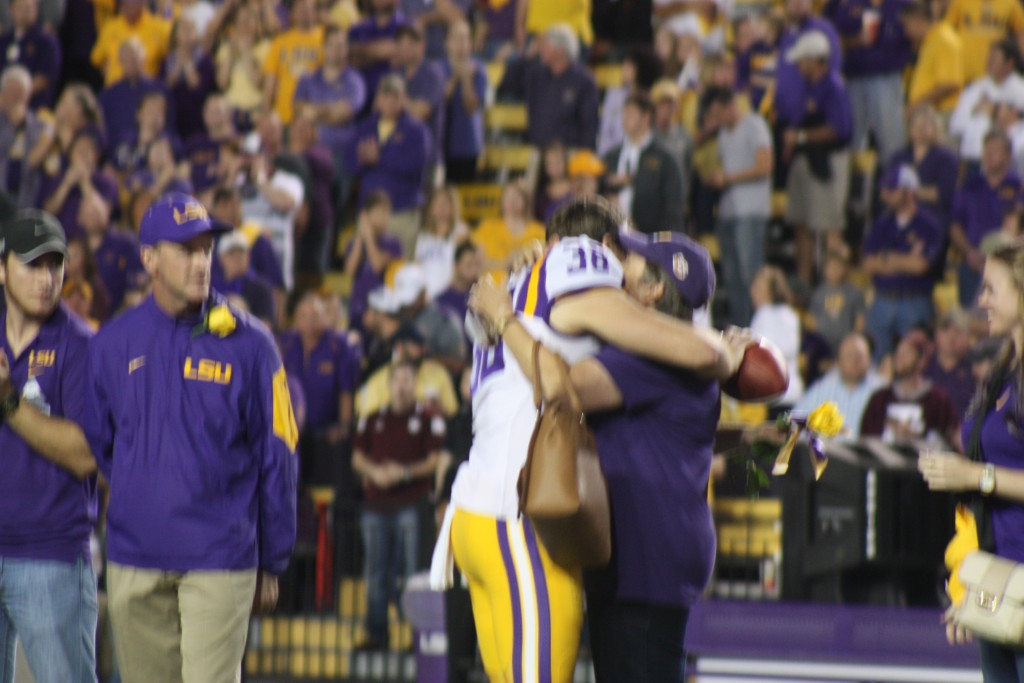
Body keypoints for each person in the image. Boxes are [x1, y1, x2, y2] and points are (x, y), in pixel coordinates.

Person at [429, 197, 743, 683]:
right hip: (517, 517)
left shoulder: (523, 287)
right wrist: (725, 355)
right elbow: (561, 387)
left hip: (482, 509)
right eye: (617, 251)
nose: (618, 262)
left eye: (629, 258)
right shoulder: (583, 274)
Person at [85, 193, 298, 682]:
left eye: (206, 250)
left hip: (220, 560)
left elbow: (279, 454)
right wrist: (146, 484)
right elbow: (101, 442)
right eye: (186, 250)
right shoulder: (112, 344)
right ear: (149, 259)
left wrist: (273, 559)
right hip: (134, 559)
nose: (201, 262)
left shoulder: (252, 343)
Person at [0, 210, 98, 683]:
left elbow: (85, 453)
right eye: (33, 265)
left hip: (50, 555)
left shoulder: (81, 344)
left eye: (55, 265)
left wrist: (9, 401)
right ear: (2, 269)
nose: (46, 279)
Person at [920, 240, 1024, 679]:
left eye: (991, 289)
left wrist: (977, 475)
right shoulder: (1001, 371)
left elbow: (984, 477)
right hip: (998, 584)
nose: (980, 300)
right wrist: (969, 581)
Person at [352, 359, 444, 650]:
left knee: (412, 573)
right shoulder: (373, 417)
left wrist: (402, 473)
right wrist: (374, 472)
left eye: (407, 380)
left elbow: (433, 460)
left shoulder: (428, 418)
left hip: (411, 505)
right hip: (376, 506)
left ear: (414, 384)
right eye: (398, 380)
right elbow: (356, 456)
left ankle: (414, 638)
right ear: (389, 385)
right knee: (375, 574)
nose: (402, 386)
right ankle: (377, 635)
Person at [779, 30, 853, 284]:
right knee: (802, 224)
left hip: (826, 163)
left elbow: (839, 129)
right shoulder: (810, 86)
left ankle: (837, 289)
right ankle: (804, 283)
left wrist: (800, 138)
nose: (799, 65)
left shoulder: (833, 85)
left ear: (814, 59)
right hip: (805, 161)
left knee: (829, 227)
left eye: (802, 59)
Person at [704, 86, 772, 327]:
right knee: (733, 278)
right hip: (729, 211)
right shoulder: (723, 134)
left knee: (750, 275)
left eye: (718, 113)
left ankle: (760, 328)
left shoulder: (754, 125)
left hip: (751, 211)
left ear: (731, 105)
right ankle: (741, 328)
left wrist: (728, 178)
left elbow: (765, 165)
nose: (717, 119)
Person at [862, 164, 944, 361]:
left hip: (915, 301)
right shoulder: (882, 223)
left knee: (917, 359)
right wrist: (905, 260)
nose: (885, 194)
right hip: (882, 298)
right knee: (874, 359)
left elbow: (921, 266)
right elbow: (867, 264)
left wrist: (886, 258)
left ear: (909, 192)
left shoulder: (929, 224)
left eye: (891, 190)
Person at [346, 74, 432, 257]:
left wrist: (380, 159)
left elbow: (418, 166)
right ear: (378, 99)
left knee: (401, 272)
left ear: (403, 99)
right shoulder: (365, 127)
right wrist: (362, 159)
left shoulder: (417, 131)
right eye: (385, 96)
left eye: (395, 97)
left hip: (401, 211)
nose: (390, 102)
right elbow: (349, 163)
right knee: (366, 272)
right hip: (370, 215)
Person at [824, 0, 909, 162]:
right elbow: (831, 38)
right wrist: (856, 40)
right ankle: (856, 183)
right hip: (853, 78)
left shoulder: (901, 4)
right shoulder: (847, 4)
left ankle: (893, 183)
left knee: (891, 140)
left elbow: (917, 31)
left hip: (888, 78)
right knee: (852, 139)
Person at [950, 130, 1022, 308]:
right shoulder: (969, 186)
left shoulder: (1018, 187)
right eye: (986, 151)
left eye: (995, 151)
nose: (989, 156)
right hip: (973, 264)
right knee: (969, 316)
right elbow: (954, 224)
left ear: (1008, 155)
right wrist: (970, 252)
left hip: (1008, 265)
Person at [498, 24, 599, 149]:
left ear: (560, 49)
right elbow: (508, 84)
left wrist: (585, 154)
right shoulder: (537, 75)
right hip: (539, 150)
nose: (540, 50)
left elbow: (589, 123)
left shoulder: (583, 80)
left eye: (545, 46)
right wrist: (526, 57)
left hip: (570, 152)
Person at [602, 92, 685, 235]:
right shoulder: (611, 157)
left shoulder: (665, 160)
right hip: (613, 236)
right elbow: (599, 188)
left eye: (631, 114)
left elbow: (672, 209)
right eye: (624, 114)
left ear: (646, 118)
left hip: (649, 236)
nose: (625, 120)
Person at [861, 329, 958, 447]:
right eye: (898, 353)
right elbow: (866, 442)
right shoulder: (879, 399)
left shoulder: (938, 401)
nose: (899, 358)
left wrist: (918, 438)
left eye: (906, 353)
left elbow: (950, 443)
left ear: (921, 361)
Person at [949, 40, 1024, 167]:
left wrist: (994, 111)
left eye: (994, 58)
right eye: (989, 57)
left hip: (1011, 161)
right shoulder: (974, 89)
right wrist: (976, 112)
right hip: (973, 158)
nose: (989, 62)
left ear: (1009, 63)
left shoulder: (1021, 90)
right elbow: (955, 125)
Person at [795, 332, 884, 438]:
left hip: (869, 453)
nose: (855, 361)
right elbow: (795, 424)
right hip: (828, 451)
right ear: (839, 360)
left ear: (869, 359)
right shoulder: (820, 390)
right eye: (849, 355)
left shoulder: (881, 390)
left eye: (860, 356)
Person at [886, 105, 960, 226]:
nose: (920, 129)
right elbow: (887, 189)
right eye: (916, 125)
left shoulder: (946, 157)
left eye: (925, 125)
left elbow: (944, 194)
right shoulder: (899, 157)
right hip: (898, 214)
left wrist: (907, 193)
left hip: (932, 215)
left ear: (935, 128)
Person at [344, 190, 402, 332]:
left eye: (387, 212)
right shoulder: (354, 242)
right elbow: (350, 271)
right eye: (379, 212)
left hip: (381, 308)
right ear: (366, 214)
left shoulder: (394, 243)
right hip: (357, 306)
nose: (384, 216)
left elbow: (377, 265)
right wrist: (359, 237)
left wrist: (368, 237)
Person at [261, 0, 323, 124]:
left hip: (314, 119)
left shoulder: (326, 39)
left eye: (309, 8)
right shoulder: (280, 42)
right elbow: (270, 84)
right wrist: (265, 115)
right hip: (283, 117)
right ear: (292, 13)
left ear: (316, 12)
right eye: (301, 9)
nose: (305, 13)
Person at [750, 265, 804, 407]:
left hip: (773, 396)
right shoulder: (792, 314)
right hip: (793, 393)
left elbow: (758, 355)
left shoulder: (763, 314)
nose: (753, 292)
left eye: (758, 287)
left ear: (770, 290)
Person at [439, 20, 486, 183]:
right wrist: (455, 76)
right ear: (447, 43)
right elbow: (439, 103)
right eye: (457, 38)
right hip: (441, 143)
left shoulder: (478, 69)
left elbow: (471, 107)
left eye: (466, 38)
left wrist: (466, 79)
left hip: (467, 145)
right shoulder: (438, 69)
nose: (462, 44)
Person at [900, 0, 963, 120]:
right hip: (928, 112)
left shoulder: (944, 40)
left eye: (907, 25)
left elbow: (949, 83)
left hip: (942, 113)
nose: (905, 32)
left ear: (918, 22)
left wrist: (916, 105)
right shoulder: (929, 40)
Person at [473, 180, 545, 281]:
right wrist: (506, 263)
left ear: (526, 200)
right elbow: (478, 262)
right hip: (492, 289)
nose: (512, 201)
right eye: (508, 196)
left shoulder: (539, 231)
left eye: (516, 196)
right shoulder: (487, 227)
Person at [0, 66, 50, 210]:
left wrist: (22, 125)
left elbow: (31, 162)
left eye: (19, 92)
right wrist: (12, 127)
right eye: (11, 92)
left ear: (27, 95)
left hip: (26, 201)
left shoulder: (39, 126)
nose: (15, 97)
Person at [90, 0, 171, 86]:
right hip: (115, 88)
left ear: (143, 3)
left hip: (146, 90)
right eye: (125, 3)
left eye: (134, 2)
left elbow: (171, 58)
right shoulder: (111, 27)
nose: (129, 5)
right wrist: (111, 74)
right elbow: (97, 59)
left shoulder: (160, 28)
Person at [0, 0, 60, 110]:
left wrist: (15, 95)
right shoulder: (4, 40)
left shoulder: (47, 41)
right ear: (11, 10)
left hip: (34, 107)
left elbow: (45, 77)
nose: (26, 12)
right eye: (21, 8)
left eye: (30, 8)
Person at [807, 246, 867, 355]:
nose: (834, 270)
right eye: (830, 267)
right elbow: (812, 320)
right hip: (823, 343)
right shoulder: (818, 293)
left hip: (845, 343)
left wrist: (856, 339)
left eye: (838, 266)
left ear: (845, 268)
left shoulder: (855, 292)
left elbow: (860, 320)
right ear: (824, 269)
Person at [415, 185, 469, 299]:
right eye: (437, 203)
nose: (441, 207)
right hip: (426, 298)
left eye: (445, 203)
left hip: (449, 296)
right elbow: (417, 265)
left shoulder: (460, 231)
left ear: (453, 206)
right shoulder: (423, 237)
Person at [925, 308, 975, 420]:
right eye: (945, 329)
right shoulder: (923, 365)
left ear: (968, 337)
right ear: (936, 334)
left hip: (963, 432)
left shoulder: (976, 369)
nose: (951, 337)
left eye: (958, 331)